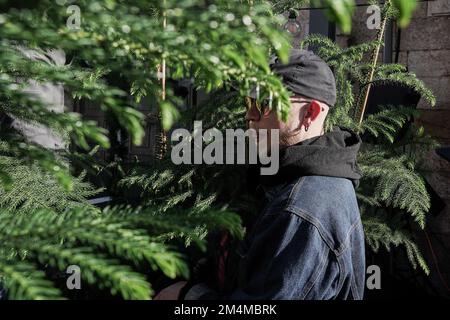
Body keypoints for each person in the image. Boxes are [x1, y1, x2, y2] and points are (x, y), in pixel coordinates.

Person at [155, 49, 365, 300]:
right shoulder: (282, 176)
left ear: (310, 113)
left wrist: (188, 296)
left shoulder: (303, 208)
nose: (250, 115)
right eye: (249, 102)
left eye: (265, 104)